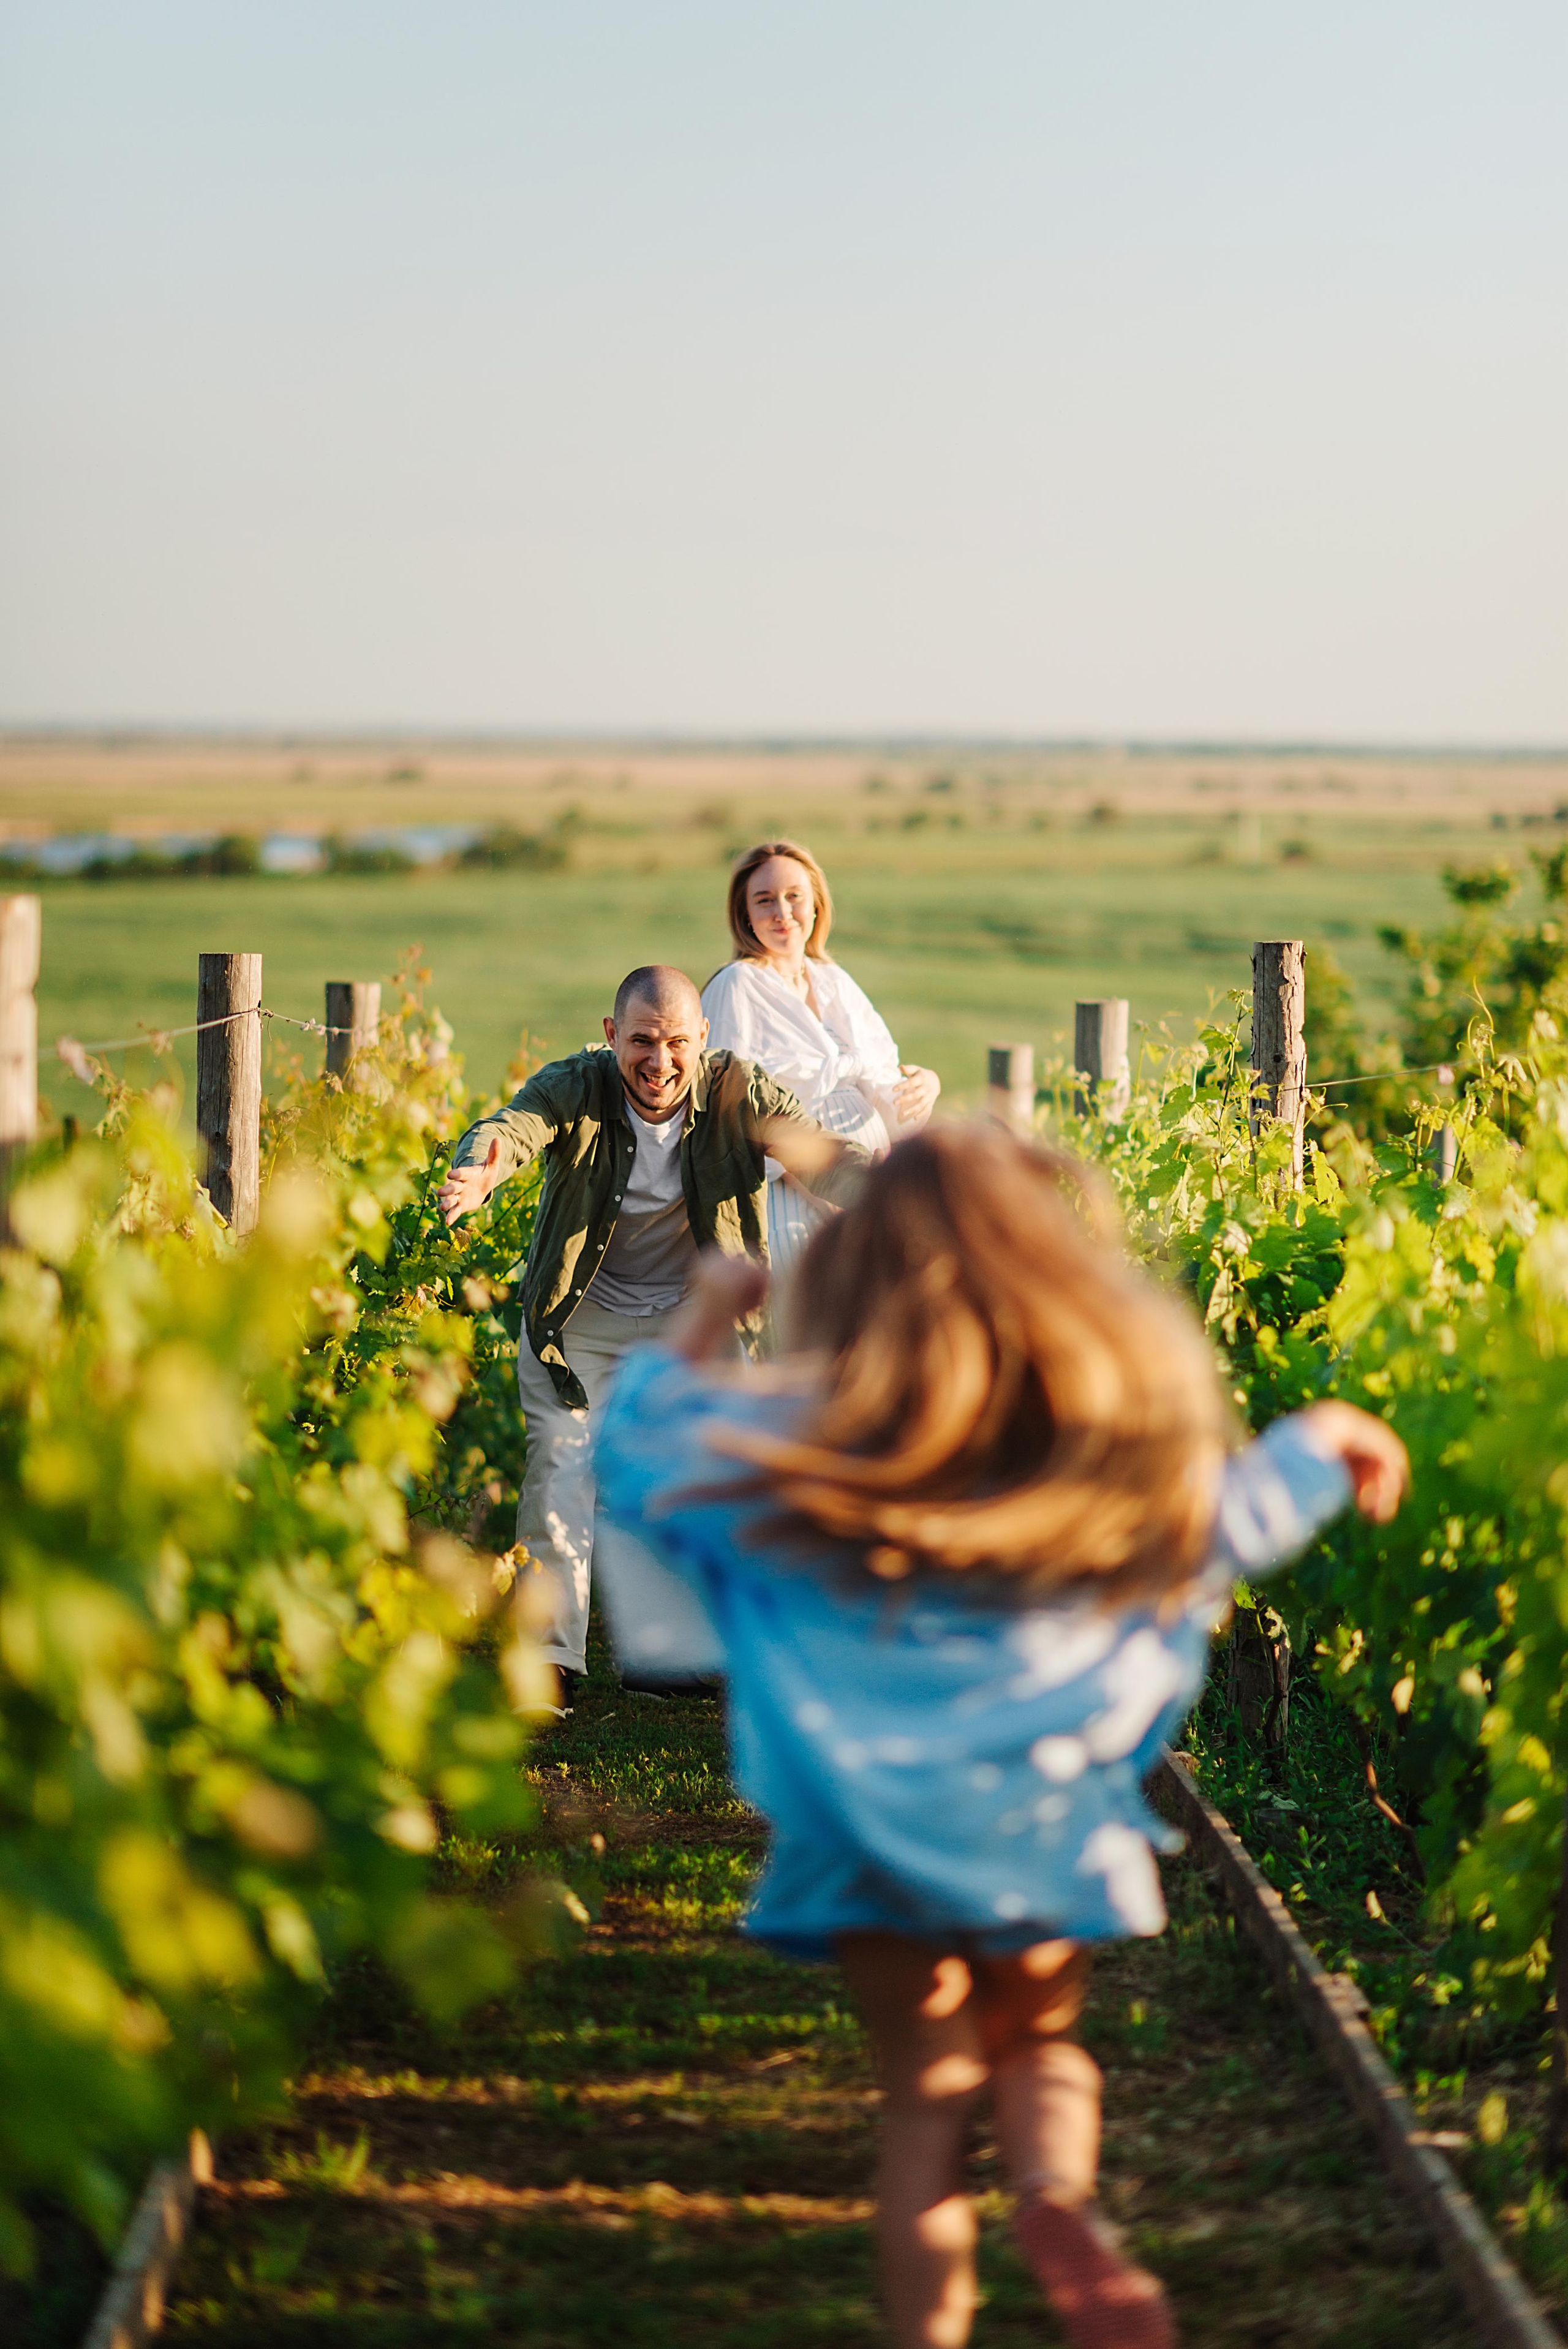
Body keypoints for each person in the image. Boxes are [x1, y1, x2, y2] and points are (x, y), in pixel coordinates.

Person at [593, 1126, 1408, 2349]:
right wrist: (1323, 1440)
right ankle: (1052, 2198)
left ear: (852, 1284)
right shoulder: (1089, 1467)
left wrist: (710, 1310)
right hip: (1043, 1829)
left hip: (865, 1851)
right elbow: (1225, 1520)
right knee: (1040, 2049)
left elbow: (636, 1444)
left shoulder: (798, 1467)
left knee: (922, 2113)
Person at [435, 963, 867, 1688]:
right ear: (612, 1035)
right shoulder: (578, 1084)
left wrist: (892, 1193)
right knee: (559, 1471)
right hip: (578, 1320)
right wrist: (480, 1168)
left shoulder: (738, 1090)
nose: (659, 1062)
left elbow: (822, 1156)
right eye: (641, 1041)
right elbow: (513, 1129)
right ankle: (550, 1659)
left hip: (694, 1321)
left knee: (699, 1478)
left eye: (676, 1043)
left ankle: (670, 1654)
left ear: (702, 1036)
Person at [701, 838, 942, 1269]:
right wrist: (821, 1191)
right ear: (745, 915)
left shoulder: (835, 981)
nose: (782, 912)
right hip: (795, 1199)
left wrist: (929, 1084)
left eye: (795, 896)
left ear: (816, 905)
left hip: (868, 1191)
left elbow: (885, 1075)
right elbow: (731, 1112)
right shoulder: (736, 985)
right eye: (765, 900)